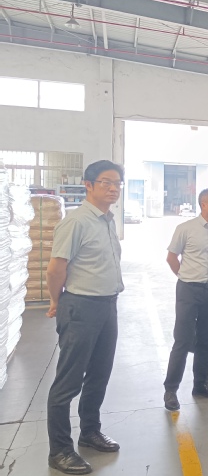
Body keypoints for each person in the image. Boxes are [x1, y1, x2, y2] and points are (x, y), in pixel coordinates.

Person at [45, 160, 125, 475]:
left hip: (107, 305)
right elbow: (56, 269)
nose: (113, 188)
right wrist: (56, 301)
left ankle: (90, 431)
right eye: (106, 182)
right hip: (81, 306)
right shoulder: (76, 222)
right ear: (88, 185)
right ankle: (59, 451)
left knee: (99, 374)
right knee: (68, 381)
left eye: (117, 183)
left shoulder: (107, 220)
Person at [163, 188, 208, 412]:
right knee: (182, 340)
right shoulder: (185, 229)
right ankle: (171, 390)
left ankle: (200, 385)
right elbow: (171, 258)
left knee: (206, 340)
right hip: (188, 290)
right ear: (204, 204)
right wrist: (186, 276)